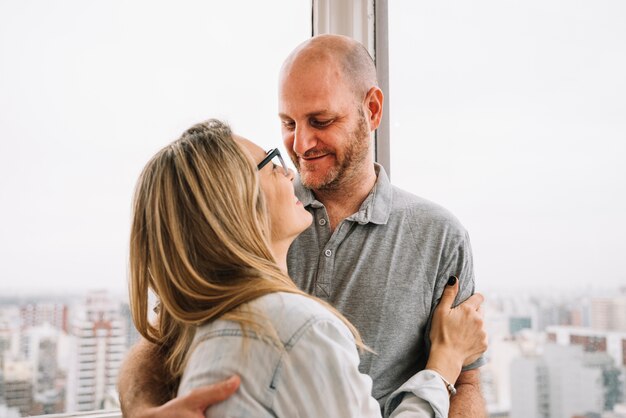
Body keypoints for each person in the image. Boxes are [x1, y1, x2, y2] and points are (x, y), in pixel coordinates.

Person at [118, 34, 487, 417]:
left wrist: (446, 365)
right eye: (288, 123)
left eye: (321, 121)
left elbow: (467, 383)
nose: (300, 144)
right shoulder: (250, 219)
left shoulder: (440, 235)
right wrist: (144, 409)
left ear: (372, 110)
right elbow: (166, 338)